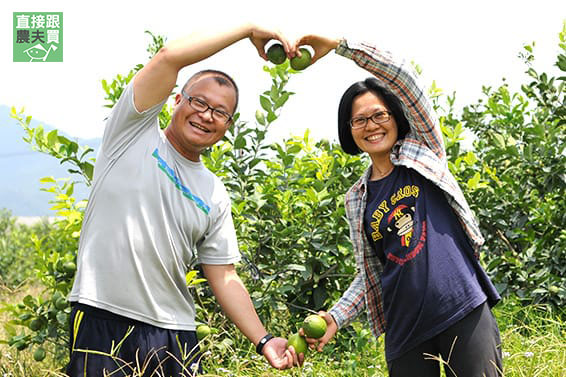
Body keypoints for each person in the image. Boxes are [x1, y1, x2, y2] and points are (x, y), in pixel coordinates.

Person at [66, 23, 302, 376]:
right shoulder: (131, 133)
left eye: (220, 112)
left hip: (174, 334)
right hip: (102, 315)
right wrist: (245, 31)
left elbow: (223, 275)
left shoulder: (214, 192)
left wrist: (264, 339)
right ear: (178, 100)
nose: (207, 115)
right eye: (199, 102)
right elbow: (169, 58)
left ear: (228, 125)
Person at [295, 35, 503, 377]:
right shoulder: (357, 198)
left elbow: (404, 79)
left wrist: (339, 45)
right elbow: (373, 274)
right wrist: (335, 316)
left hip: (461, 310)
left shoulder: (423, 152)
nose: (371, 126)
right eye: (359, 120)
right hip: (404, 331)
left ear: (396, 116)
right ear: (349, 131)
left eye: (379, 114)